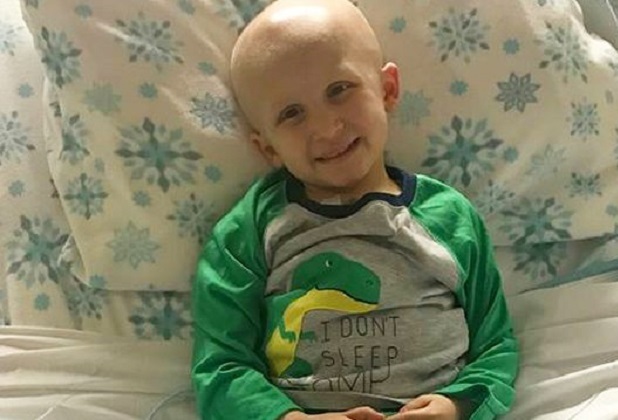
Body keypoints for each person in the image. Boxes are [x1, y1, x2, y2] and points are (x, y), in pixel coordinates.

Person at [190, 0, 518, 419]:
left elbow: (496, 345)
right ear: (268, 147)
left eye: (339, 90)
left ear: (387, 90)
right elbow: (221, 366)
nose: (327, 128)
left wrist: (458, 405)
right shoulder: (248, 232)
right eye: (292, 113)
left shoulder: (450, 219)